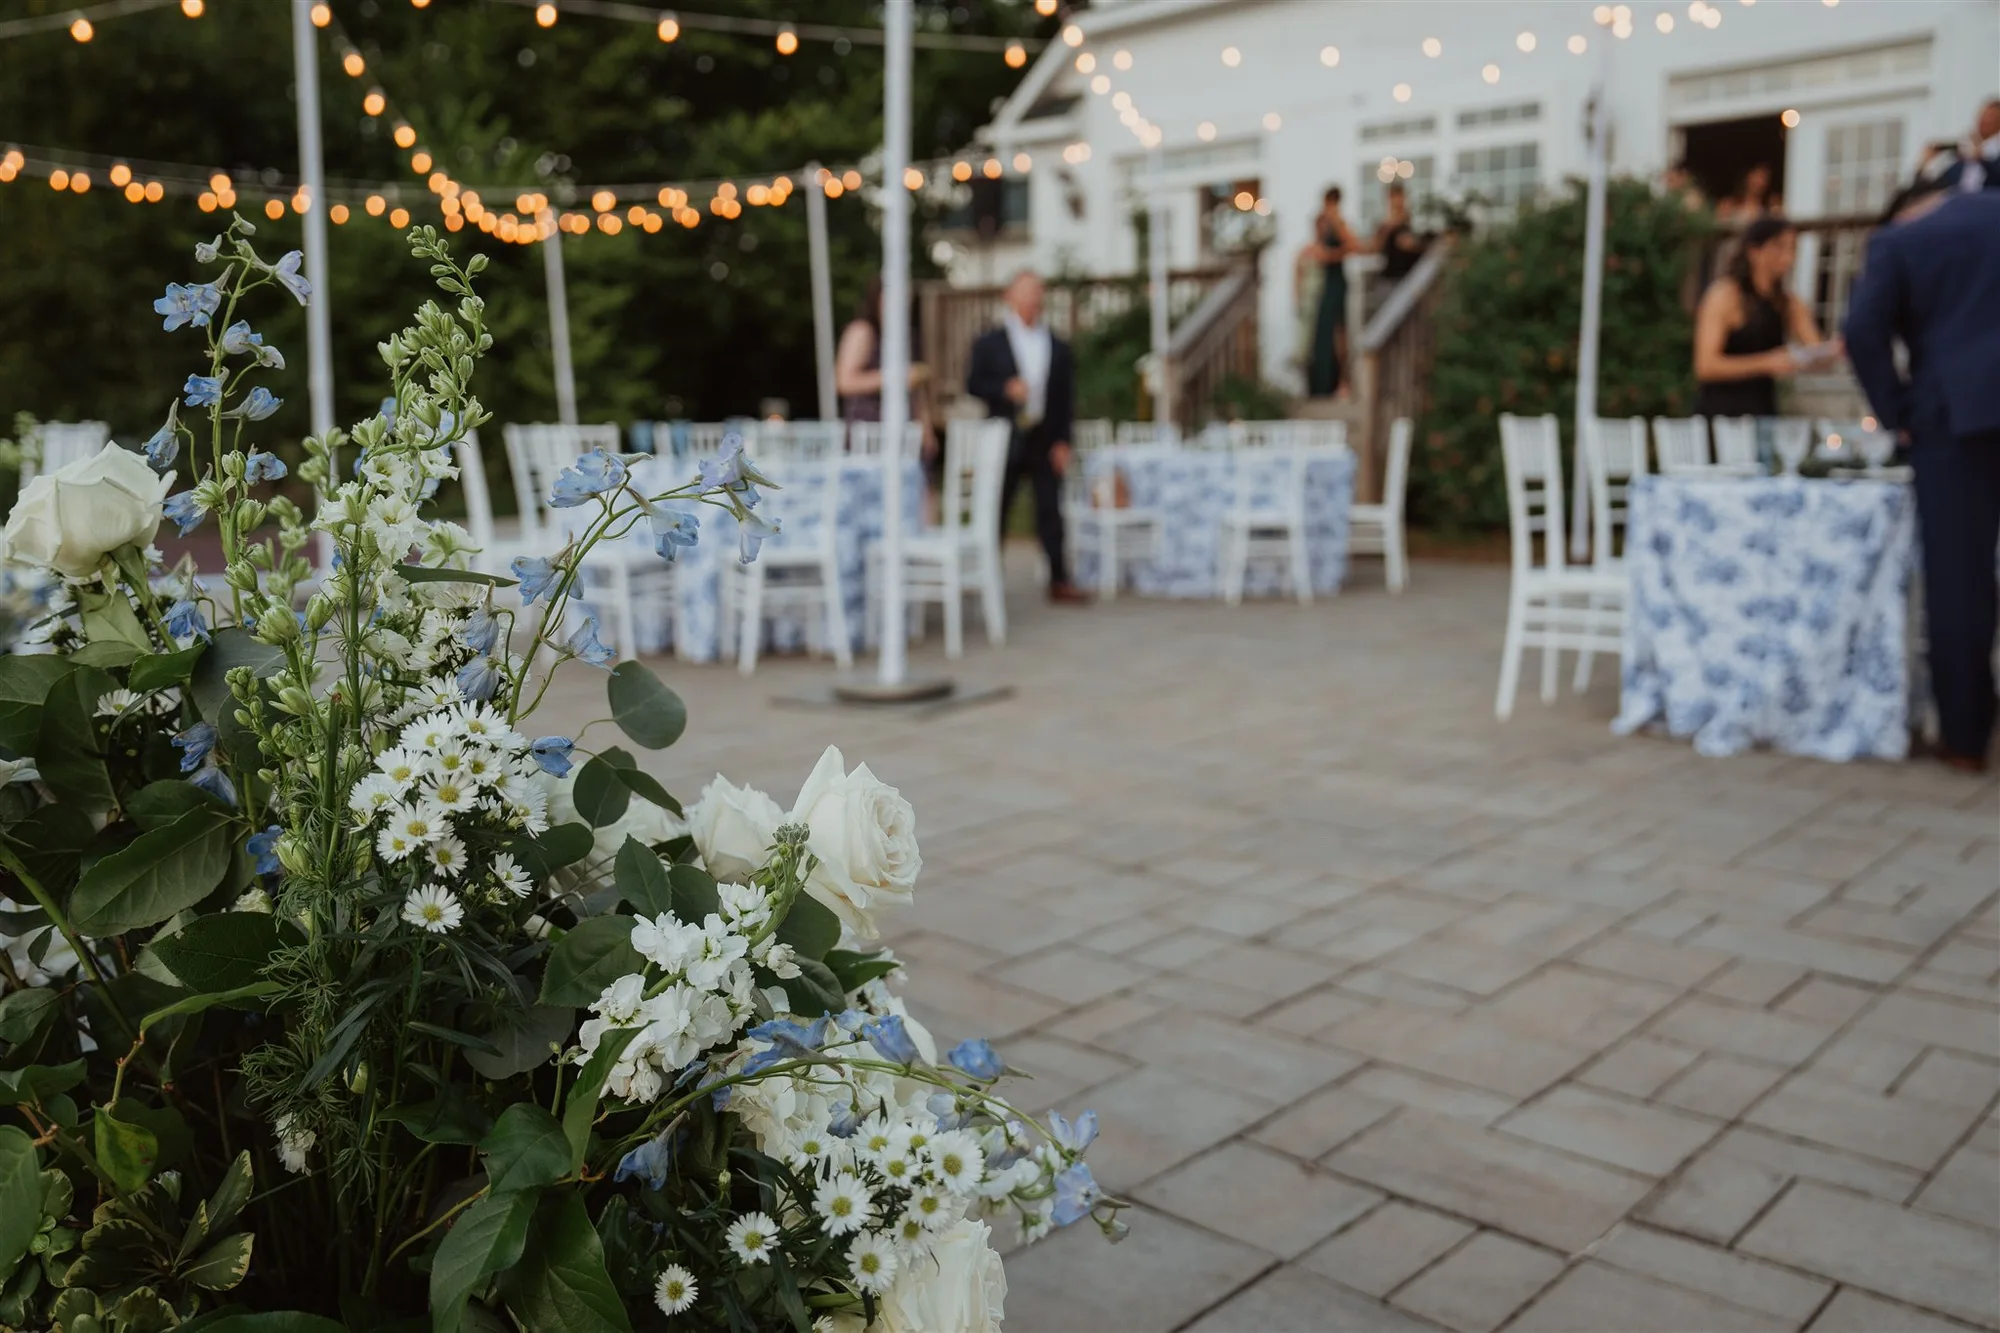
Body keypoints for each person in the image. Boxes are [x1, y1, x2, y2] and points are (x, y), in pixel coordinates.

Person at [1843, 185, 2000, 772]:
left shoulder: (1905, 240)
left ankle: (1964, 737)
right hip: (1960, 413)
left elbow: (1862, 330)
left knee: (1961, 580)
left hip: (1955, 418)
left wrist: (1898, 413)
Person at [966, 270, 1085, 604]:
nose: (1033, 299)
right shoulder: (990, 342)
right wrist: (1005, 389)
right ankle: (987, 576)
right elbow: (973, 384)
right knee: (997, 507)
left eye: (1037, 292)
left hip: (1044, 436)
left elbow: (1066, 398)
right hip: (1005, 436)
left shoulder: (1058, 345)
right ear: (1010, 296)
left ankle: (1059, 578)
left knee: (1050, 508)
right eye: (1026, 292)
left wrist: (1064, 440)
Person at [1692, 216, 1836, 420]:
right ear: (1754, 251)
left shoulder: (1788, 303)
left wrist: (1832, 351)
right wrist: (1766, 363)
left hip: (1763, 413)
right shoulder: (1724, 295)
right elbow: (1705, 366)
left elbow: (1817, 354)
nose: (1788, 258)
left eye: (1792, 249)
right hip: (1722, 415)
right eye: (1779, 247)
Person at [1299, 186, 1363, 398]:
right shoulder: (1324, 221)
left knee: (1339, 332)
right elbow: (1316, 251)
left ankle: (1339, 382)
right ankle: (1321, 384)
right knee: (1321, 334)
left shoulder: (1338, 222)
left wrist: (1333, 255)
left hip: (1336, 282)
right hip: (1323, 284)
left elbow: (1353, 246)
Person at [1936, 97, 2000, 193]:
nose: (1982, 121)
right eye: (1981, 116)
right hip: (1959, 199)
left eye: (1989, 117)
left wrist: (1981, 159)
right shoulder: (1967, 147)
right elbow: (1947, 178)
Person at [1371, 181, 1426, 284]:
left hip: (1410, 276)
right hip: (1392, 277)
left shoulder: (1411, 221)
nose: (1398, 201)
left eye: (1401, 197)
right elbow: (1375, 248)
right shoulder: (1384, 224)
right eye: (1394, 197)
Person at [1716, 163, 1781, 222]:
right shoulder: (1729, 204)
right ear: (1748, 176)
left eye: (1764, 178)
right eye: (1757, 176)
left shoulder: (1769, 208)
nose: (1760, 182)